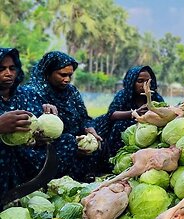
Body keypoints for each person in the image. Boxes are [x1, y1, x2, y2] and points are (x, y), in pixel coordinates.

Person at [0, 48, 77, 195]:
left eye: (12, 68)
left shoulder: (26, 93)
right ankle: (8, 194)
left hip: (29, 151)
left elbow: (38, 122)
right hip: (6, 155)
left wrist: (47, 114)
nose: (8, 73)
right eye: (1, 69)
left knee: (67, 140)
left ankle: (45, 187)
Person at [23, 51, 102, 181]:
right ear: (48, 73)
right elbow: (32, 130)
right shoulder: (31, 92)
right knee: (68, 142)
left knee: (98, 141)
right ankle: (53, 181)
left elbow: (84, 117)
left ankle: (83, 176)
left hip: (77, 139)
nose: (67, 80)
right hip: (49, 145)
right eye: (62, 75)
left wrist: (89, 129)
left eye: (70, 75)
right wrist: (72, 143)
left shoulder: (71, 91)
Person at [93, 65, 164, 159]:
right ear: (131, 82)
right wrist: (135, 113)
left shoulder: (155, 97)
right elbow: (112, 114)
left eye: (148, 81)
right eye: (140, 81)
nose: (145, 85)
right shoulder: (123, 95)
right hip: (123, 126)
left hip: (146, 131)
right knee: (121, 125)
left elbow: (164, 113)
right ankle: (115, 158)